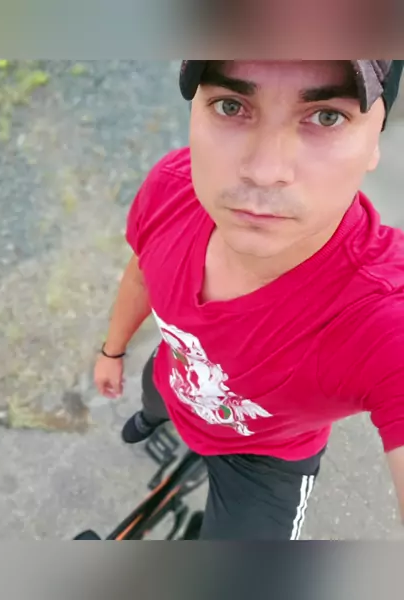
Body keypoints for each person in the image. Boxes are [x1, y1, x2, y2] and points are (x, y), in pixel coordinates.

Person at [94, 60, 404, 540]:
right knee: (154, 399)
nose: (264, 172)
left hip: (265, 457)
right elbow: (141, 274)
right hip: (176, 373)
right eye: (230, 106)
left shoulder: (382, 311)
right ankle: (149, 420)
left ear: (375, 138)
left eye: (326, 116)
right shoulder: (173, 186)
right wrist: (112, 351)